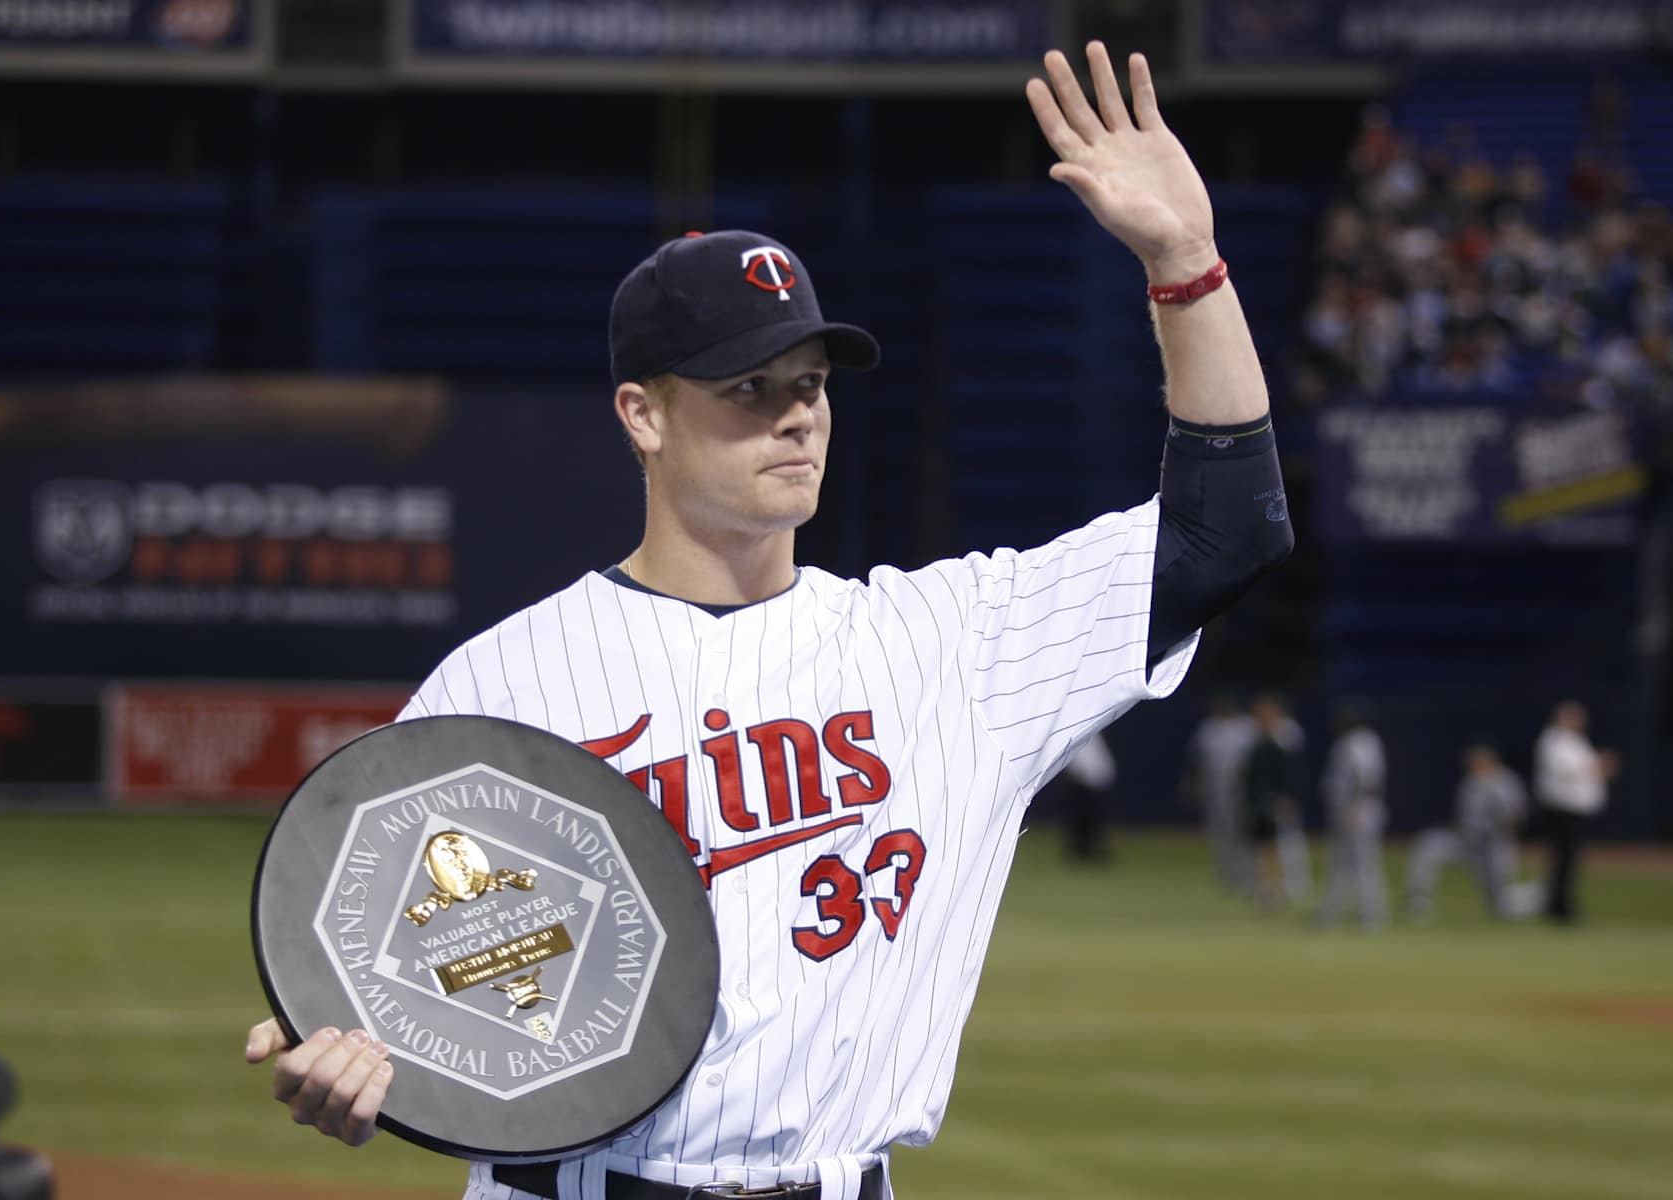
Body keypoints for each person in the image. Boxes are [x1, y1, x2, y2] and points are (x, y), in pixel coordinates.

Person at [244, 42, 1293, 1200]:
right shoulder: (505, 683)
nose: (795, 417)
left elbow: (1222, 531)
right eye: (749, 388)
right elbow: (393, 984)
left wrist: (1186, 261)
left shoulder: (951, 642)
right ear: (642, 415)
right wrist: (335, 1064)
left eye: (811, 383)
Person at [1405, 743, 1527, 920]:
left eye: (1476, 761)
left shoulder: (1506, 781)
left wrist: (1499, 830)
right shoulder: (1470, 782)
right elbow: (1464, 817)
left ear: (1489, 760)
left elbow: (1516, 815)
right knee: (1429, 843)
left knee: (1500, 906)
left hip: (1494, 847)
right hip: (1467, 843)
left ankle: (1541, 897)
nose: (1471, 765)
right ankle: (1418, 903)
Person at [1534, 700, 1618, 924]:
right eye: (1575, 717)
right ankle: (1559, 907)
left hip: (1576, 810)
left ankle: (1560, 904)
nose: (1581, 721)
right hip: (1562, 809)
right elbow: (1568, 772)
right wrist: (1599, 765)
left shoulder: (1576, 741)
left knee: (1570, 860)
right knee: (1563, 859)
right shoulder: (1553, 740)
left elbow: (1586, 772)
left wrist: (1598, 769)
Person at [1315, 706, 1388, 929]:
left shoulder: (1357, 741)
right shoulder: (1366, 741)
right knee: (1345, 863)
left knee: (1361, 864)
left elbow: (1361, 776)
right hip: (1359, 808)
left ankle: (1370, 916)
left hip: (1357, 810)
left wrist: (1353, 807)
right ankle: (1331, 914)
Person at [1181, 692, 1258, 892]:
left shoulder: (1247, 727)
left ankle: (1244, 871)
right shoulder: (1209, 728)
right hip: (1214, 784)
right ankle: (1224, 870)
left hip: (1241, 785)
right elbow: (1197, 760)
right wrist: (1193, 784)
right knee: (1218, 830)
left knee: (1242, 831)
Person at [1239, 694, 1301, 911]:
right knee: (1260, 849)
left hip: (1275, 804)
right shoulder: (1258, 744)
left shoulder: (1279, 744)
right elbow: (1249, 779)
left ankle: (1282, 888)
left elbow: (1286, 778)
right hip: (1259, 805)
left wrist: (1287, 801)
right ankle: (1265, 889)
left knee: (1280, 849)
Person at [1059, 730, 1118, 863]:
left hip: (1091, 782)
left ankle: (1086, 850)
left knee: (1088, 821)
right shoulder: (1081, 732)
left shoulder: (1084, 732)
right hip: (1087, 781)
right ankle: (1082, 850)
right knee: (1084, 821)